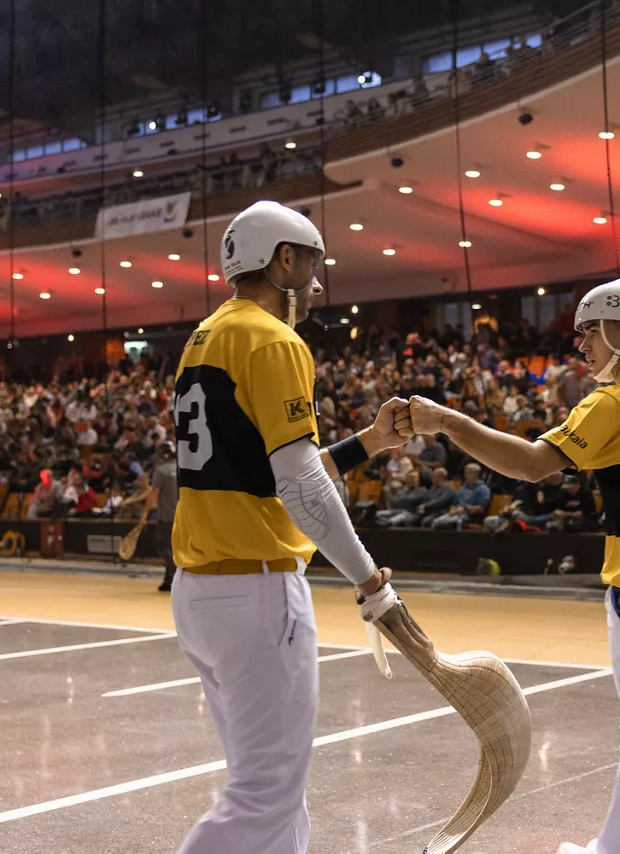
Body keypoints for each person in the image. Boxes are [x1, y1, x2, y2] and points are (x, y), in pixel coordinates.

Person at [406, 277, 620, 854]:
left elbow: (534, 465)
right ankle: (610, 847)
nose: (581, 344)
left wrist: (449, 422)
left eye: (591, 330)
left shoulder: (616, 401)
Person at [168, 200, 411, 853]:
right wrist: (369, 581)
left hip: (202, 595)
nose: (316, 280)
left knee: (275, 796)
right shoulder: (274, 339)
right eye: (310, 262)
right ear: (281, 261)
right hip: (255, 591)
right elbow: (301, 485)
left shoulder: (205, 338)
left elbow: (270, 475)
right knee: (264, 796)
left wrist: (367, 443)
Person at [151, 441, 180, 592]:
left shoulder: (161, 470)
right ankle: (168, 581)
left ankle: (175, 574)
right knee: (174, 547)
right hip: (180, 515)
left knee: (163, 546)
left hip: (166, 516)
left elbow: (153, 494)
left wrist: (144, 514)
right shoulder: (180, 468)